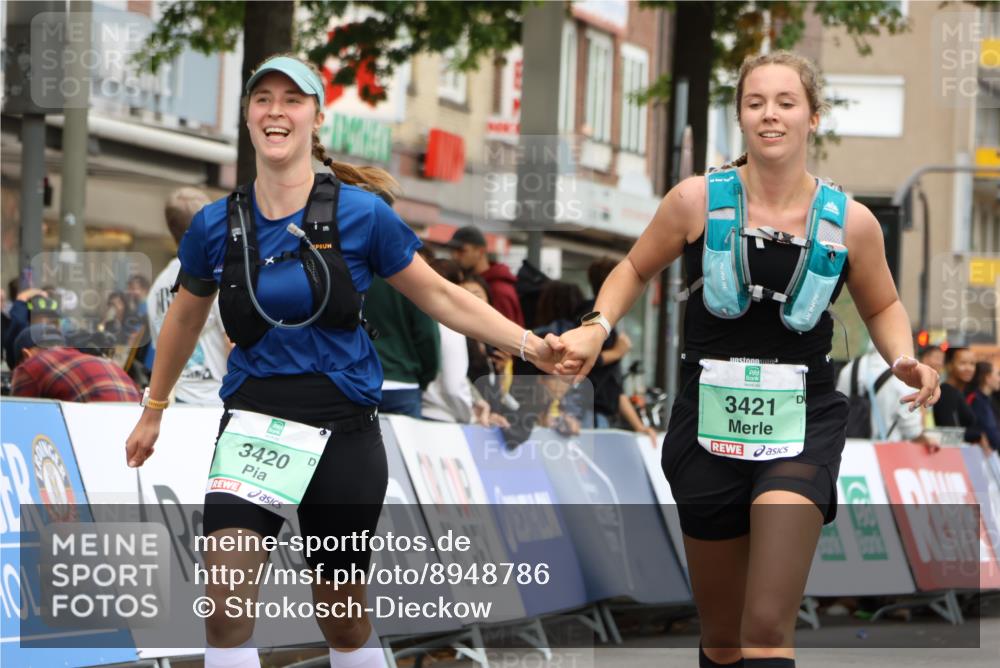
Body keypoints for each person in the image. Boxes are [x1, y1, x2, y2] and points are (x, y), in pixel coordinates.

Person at [124, 53, 558, 668]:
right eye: (262, 100)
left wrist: (531, 345)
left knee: (343, 617)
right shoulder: (215, 225)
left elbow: (440, 296)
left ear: (316, 116)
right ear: (247, 117)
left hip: (343, 430)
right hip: (254, 423)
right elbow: (185, 318)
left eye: (292, 100)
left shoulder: (362, 215)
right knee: (223, 607)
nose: (276, 112)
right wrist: (154, 409)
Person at [550, 51, 940, 667]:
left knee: (764, 626)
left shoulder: (853, 223)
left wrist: (902, 358)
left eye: (787, 103)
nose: (770, 115)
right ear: (740, 115)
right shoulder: (694, 200)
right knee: (723, 636)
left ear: (813, 117)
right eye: (756, 103)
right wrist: (598, 326)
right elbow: (632, 269)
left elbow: (884, 303)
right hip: (707, 422)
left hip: (802, 422)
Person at [147, 187, 232, 405]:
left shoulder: (157, 287)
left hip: (178, 398)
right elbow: (231, 343)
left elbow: (161, 349)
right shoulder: (213, 276)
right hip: (218, 398)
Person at [365, 248, 440, 417]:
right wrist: (424, 379)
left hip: (358, 380)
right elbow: (427, 337)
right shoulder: (413, 279)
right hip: (403, 382)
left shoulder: (352, 274)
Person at [11, 324, 141, 402]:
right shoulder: (104, 363)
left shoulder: (30, 366)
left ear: (26, 355)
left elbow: (19, 421)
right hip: (136, 431)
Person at [836, 345, 926, 444]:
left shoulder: (849, 368)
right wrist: (925, 440)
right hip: (888, 449)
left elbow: (838, 411)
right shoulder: (904, 373)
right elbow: (911, 427)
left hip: (850, 447)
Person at [447, 225, 525, 326]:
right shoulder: (478, 281)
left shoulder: (499, 290)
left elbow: (503, 331)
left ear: (481, 251)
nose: (455, 256)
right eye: (452, 250)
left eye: (462, 251)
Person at [933, 347, 982, 445]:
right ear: (949, 366)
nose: (969, 368)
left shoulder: (958, 392)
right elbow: (950, 434)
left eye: (972, 364)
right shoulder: (946, 392)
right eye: (963, 363)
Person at [966, 361, 1000, 454]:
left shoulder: (990, 401)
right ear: (987, 378)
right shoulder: (974, 399)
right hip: (981, 454)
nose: (999, 379)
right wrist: (979, 436)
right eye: (998, 375)